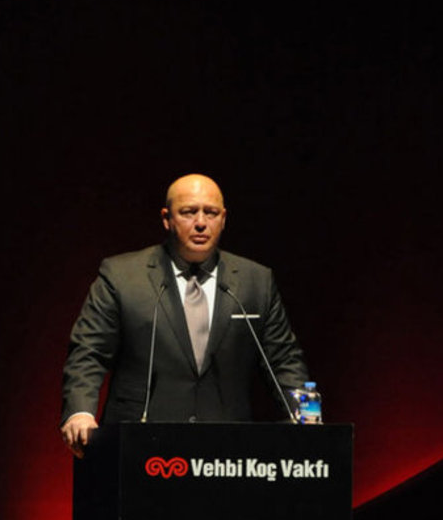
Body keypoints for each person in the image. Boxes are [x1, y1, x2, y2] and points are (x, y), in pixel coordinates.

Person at [61, 174, 308, 457]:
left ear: (224, 218)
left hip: (227, 449)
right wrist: (80, 412)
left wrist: (305, 415)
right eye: (189, 212)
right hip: (139, 445)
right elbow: (88, 352)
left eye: (211, 213)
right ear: (167, 219)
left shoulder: (256, 281)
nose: (201, 222)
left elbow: (283, 360)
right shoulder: (122, 276)